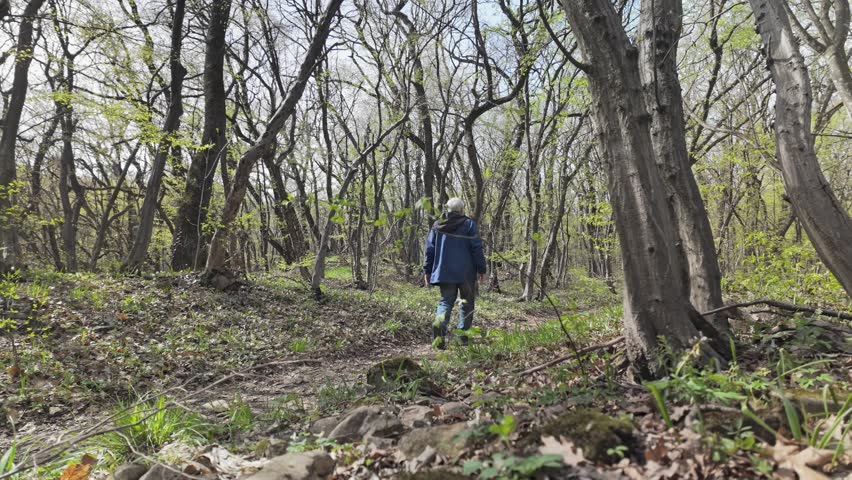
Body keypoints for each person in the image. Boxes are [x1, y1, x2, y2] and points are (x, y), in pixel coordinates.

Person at [423, 197, 487, 349]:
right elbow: (476, 248)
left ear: (448, 210)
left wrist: (427, 271)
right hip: (466, 273)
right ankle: (462, 338)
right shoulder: (469, 224)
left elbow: (429, 250)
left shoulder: (437, 225)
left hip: (444, 273)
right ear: (461, 210)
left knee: (446, 302)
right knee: (467, 303)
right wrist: (481, 269)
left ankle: (439, 329)